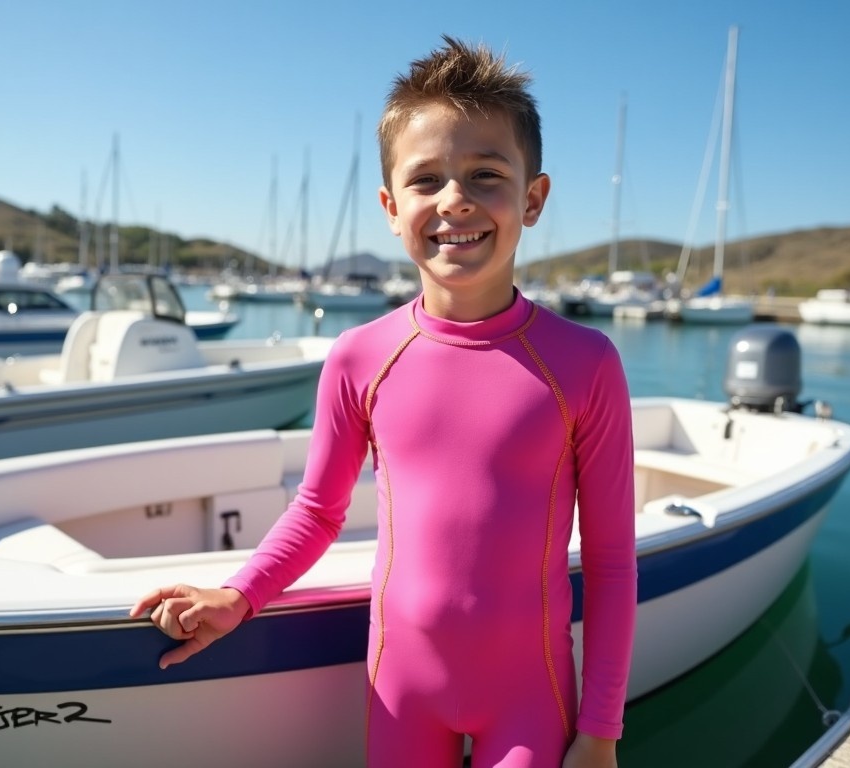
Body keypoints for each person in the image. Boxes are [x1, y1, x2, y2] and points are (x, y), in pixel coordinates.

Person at [130, 35, 637, 768]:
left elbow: (614, 560)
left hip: (532, 692)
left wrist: (602, 732)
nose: (454, 200)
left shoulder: (584, 363)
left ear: (533, 199)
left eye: (486, 174)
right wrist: (236, 597)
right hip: (401, 689)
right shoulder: (360, 357)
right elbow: (317, 512)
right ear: (391, 207)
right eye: (426, 179)